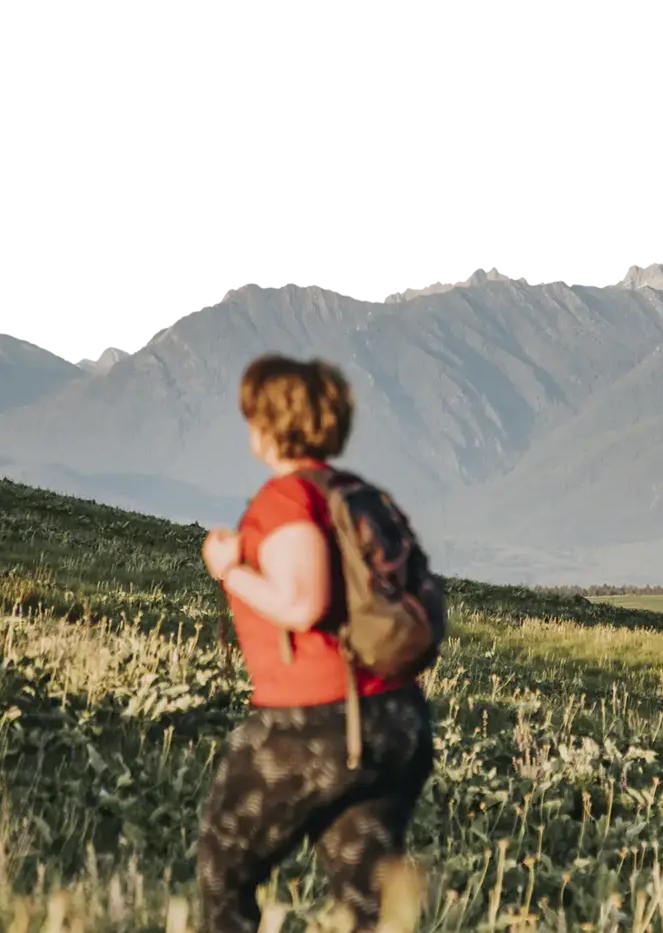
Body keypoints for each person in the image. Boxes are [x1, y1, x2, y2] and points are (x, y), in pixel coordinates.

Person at [195, 354, 433, 933]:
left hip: (314, 724)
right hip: (397, 720)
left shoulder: (288, 501)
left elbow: (304, 603)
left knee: (223, 869)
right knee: (369, 903)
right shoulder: (361, 496)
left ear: (268, 424)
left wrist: (229, 570)